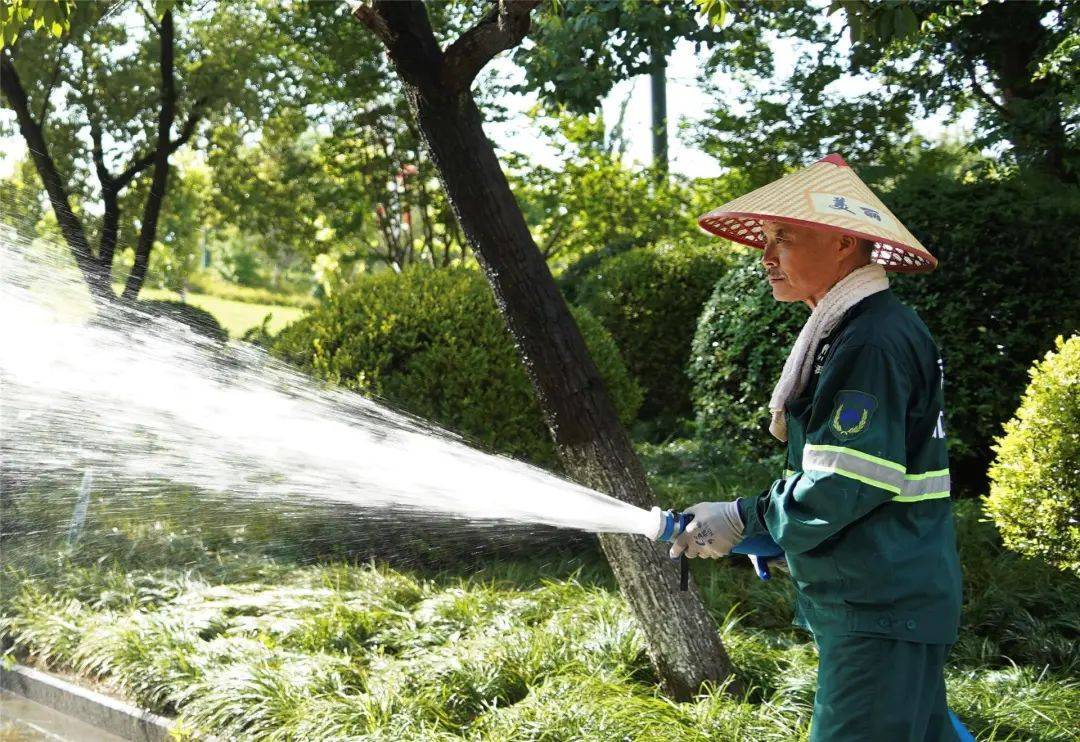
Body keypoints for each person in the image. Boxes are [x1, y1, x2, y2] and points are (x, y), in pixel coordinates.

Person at [676, 154, 967, 741]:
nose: (765, 256)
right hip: (885, 596)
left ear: (842, 243)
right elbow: (859, 477)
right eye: (765, 240)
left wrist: (743, 517)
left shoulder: (870, 340)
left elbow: (843, 484)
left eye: (782, 237)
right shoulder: (858, 330)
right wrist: (777, 534)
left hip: (881, 606)